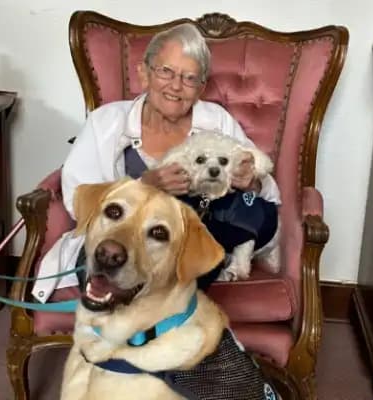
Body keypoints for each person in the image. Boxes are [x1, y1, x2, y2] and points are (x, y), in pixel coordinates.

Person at [32, 23, 280, 304]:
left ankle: (157, 333)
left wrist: (253, 182)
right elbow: (79, 200)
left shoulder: (218, 122)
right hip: (114, 242)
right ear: (144, 74)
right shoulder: (105, 121)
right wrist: (143, 186)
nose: (176, 86)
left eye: (189, 78)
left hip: (179, 252)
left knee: (195, 250)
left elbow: (267, 197)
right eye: (166, 71)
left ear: (201, 88)